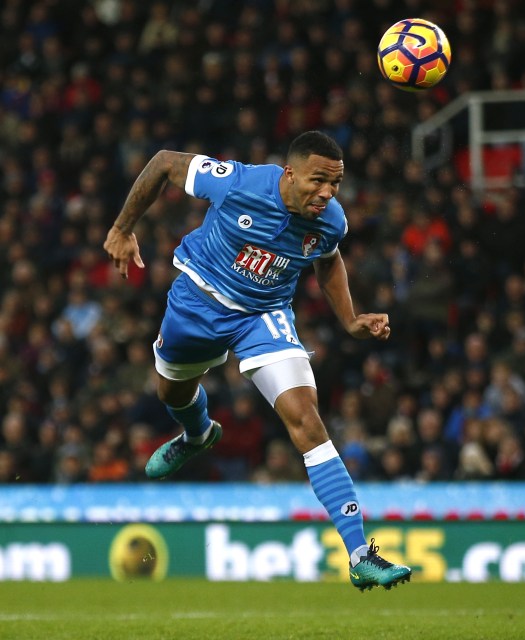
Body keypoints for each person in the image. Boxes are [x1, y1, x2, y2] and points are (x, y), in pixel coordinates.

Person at [102, 131, 412, 592]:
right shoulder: (239, 183)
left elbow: (327, 260)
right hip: (197, 302)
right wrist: (123, 228)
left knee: (307, 420)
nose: (327, 193)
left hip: (263, 317)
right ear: (290, 173)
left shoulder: (331, 221)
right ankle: (197, 434)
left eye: (337, 184)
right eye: (318, 181)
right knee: (171, 391)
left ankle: (359, 553)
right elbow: (166, 161)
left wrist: (349, 319)